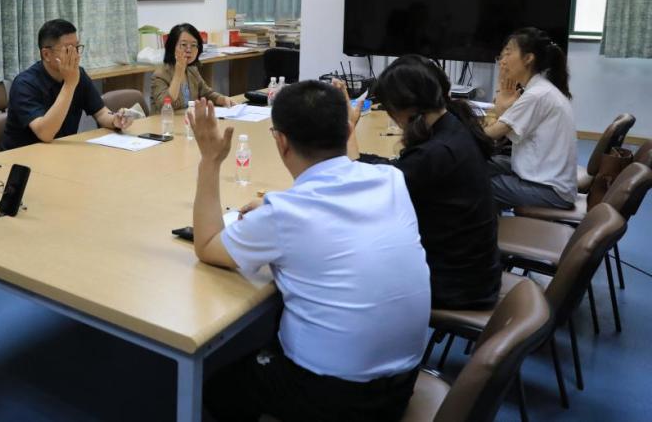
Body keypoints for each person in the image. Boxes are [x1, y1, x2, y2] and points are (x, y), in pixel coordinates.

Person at [189, 82, 430, 422]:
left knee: (216, 386)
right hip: (403, 382)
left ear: (281, 141)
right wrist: (275, 209)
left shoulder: (286, 214)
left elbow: (207, 245)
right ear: (349, 130)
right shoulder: (391, 180)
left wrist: (210, 159)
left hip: (335, 396)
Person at [341, 55, 501, 310]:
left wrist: (349, 127)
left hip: (457, 285)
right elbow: (396, 170)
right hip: (475, 272)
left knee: (345, 261)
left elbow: (365, 190)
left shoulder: (435, 153)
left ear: (403, 108)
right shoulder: (453, 124)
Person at [1, 18, 134, 150]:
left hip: (61, 151)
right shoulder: (24, 84)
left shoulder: (78, 74)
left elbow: (101, 113)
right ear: (46, 54)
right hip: (24, 156)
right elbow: (45, 134)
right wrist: (69, 84)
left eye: (77, 48)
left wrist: (115, 120)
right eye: (68, 50)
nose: (76, 55)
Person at [485, 27, 577, 209]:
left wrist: (499, 97)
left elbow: (491, 133)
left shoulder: (536, 95)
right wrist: (501, 103)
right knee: (478, 165)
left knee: (474, 181)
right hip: (540, 174)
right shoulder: (539, 88)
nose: (502, 61)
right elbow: (500, 125)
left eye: (508, 53)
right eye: (501, 56)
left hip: (549, 190)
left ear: (528, 58)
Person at [150, 23, 234, 110]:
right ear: (172, 47)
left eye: (193, 45)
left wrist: (223, 99)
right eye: (183, 45)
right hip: (167, 119)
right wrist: (178, 74)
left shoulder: (192, 70)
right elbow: (165, 106)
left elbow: (207, 94)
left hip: (188, 117)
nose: (189, 50)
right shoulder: (160, 75)